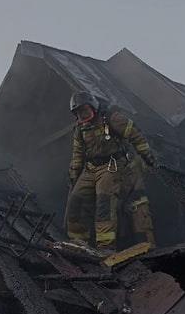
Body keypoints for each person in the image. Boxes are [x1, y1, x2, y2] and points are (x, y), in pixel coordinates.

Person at [65, 90, 156, 250]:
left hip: (111, 166)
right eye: (78, 113)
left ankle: (105, 247)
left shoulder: (112, 118)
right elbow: (77, 154)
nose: (83, 115)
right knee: (76, 201)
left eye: (85, 110)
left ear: (93, 106)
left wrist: (148, 157)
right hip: (90, 168)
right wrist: (74, 176)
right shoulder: (80, 128)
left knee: (104, 203)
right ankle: (77, 243)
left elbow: (136, 135)